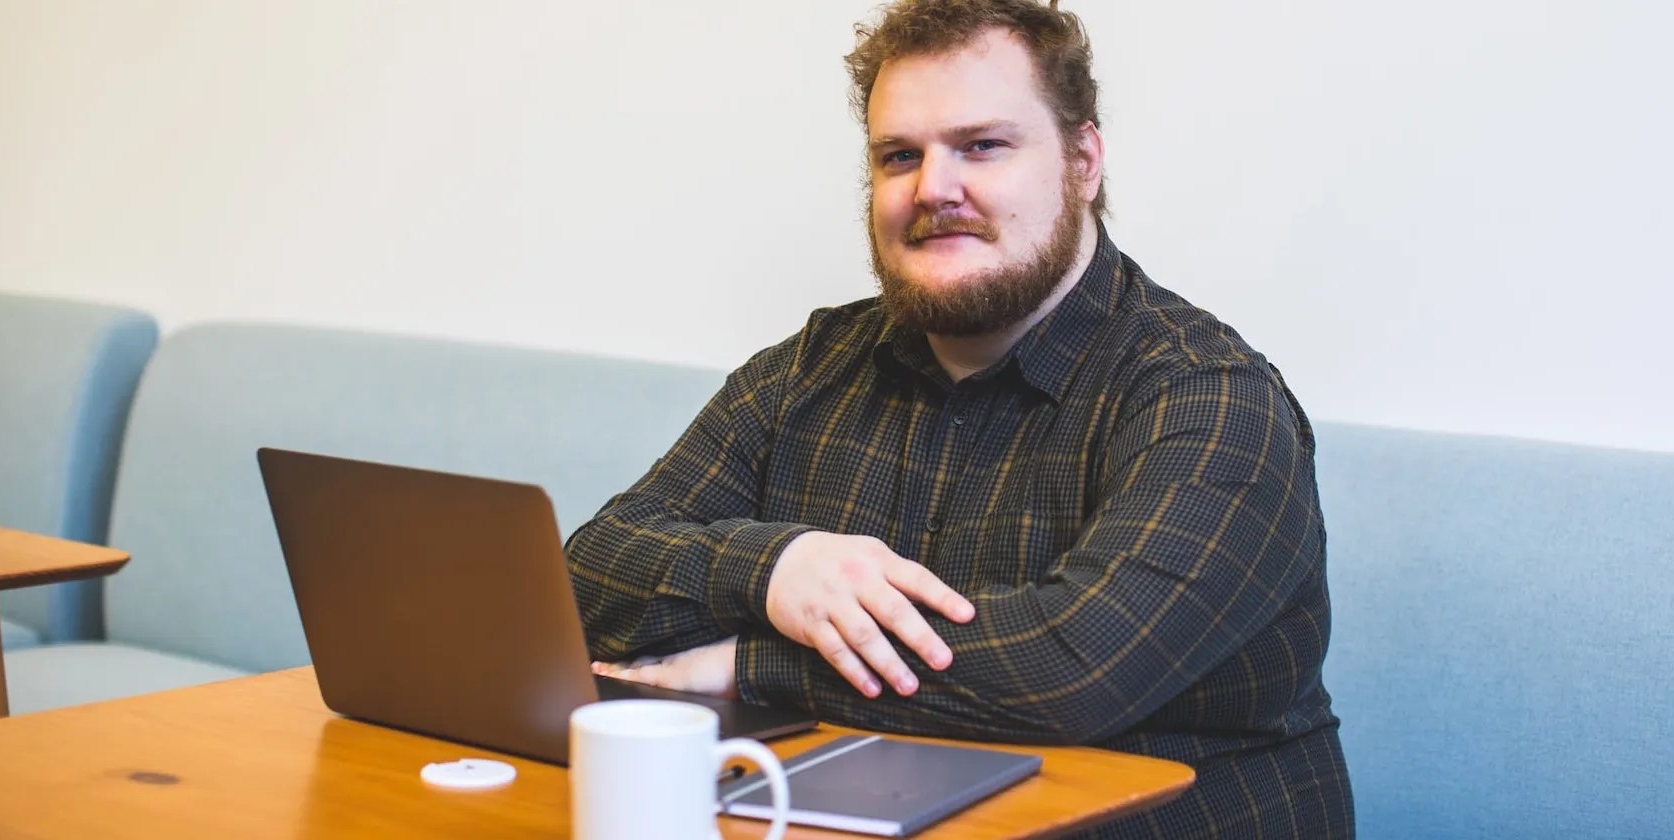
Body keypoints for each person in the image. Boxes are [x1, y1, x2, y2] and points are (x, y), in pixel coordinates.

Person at [566, 0, 1354, 836]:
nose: (933, 188)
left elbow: (1067, 670)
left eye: (982, 145)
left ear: (1083, 160)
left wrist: (748, 664)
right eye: (899, 156)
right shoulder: (808, 369)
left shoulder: (1211, 397)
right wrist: (777, 569)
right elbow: (592, 574)